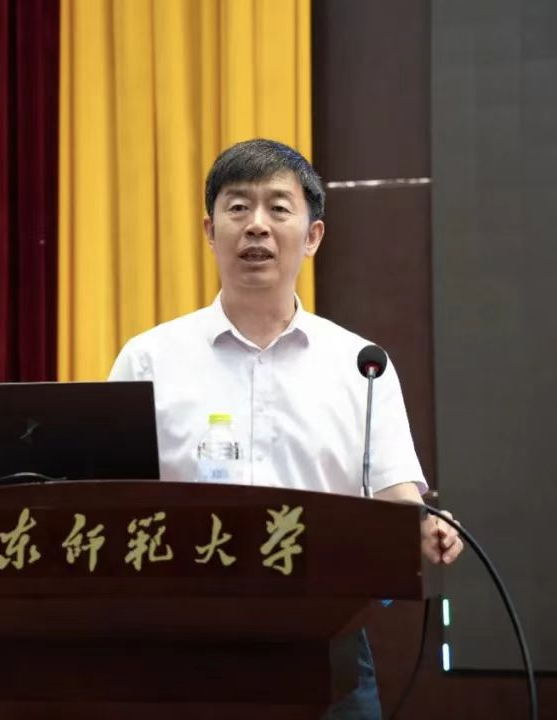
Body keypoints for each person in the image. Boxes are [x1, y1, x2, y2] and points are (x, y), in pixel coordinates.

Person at [107, 138, 463, 719]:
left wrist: (422, 528)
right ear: (209, 230)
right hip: (181, 644)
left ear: (313, 235)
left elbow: (396, 496)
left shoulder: (360, 364)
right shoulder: (148, 360)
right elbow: (109, 503)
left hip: (326, 642)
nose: (257, 226)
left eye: (278, 208)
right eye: (238, 207)